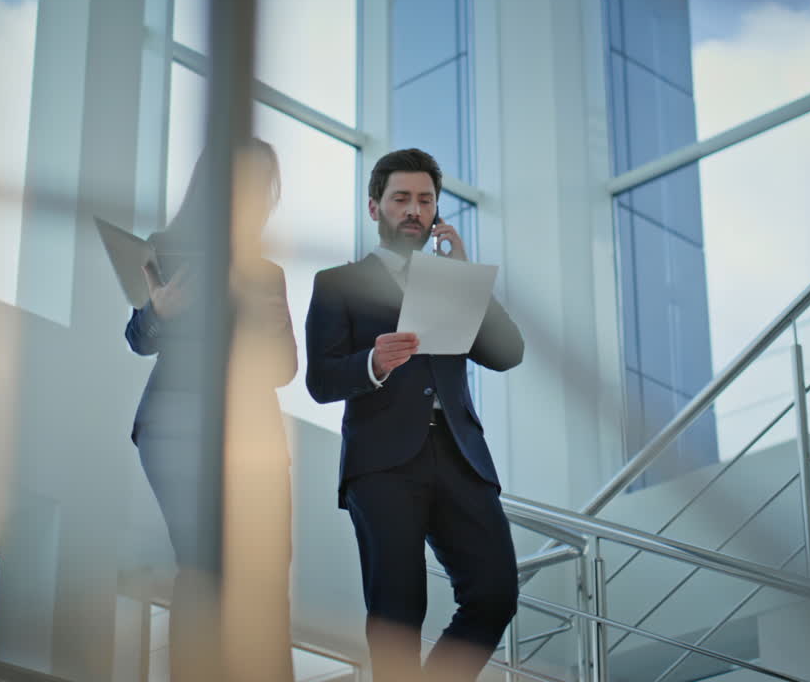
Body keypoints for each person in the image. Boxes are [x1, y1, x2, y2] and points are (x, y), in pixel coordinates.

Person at [304, 148, 525, 681]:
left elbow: (507, 352)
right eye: (401, 198)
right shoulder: (337, 283)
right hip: (382, 464)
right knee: (398, 613)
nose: (414, 210)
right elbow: (320, 381)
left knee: (496, 593)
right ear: (374, 207)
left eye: (425, 201)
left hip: (459, 457)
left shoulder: (453, 283)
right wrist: (372, 363)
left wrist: (467, 279)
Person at [125, 139, 297, 682]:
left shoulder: (268, 273)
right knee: (203, 563)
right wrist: (158, 311)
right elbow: (138, 339)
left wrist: (271, 334)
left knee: (269, 570)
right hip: (178, 423)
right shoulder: (167, 248)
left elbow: (287, 370)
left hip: (253, 433)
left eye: (264, 185)